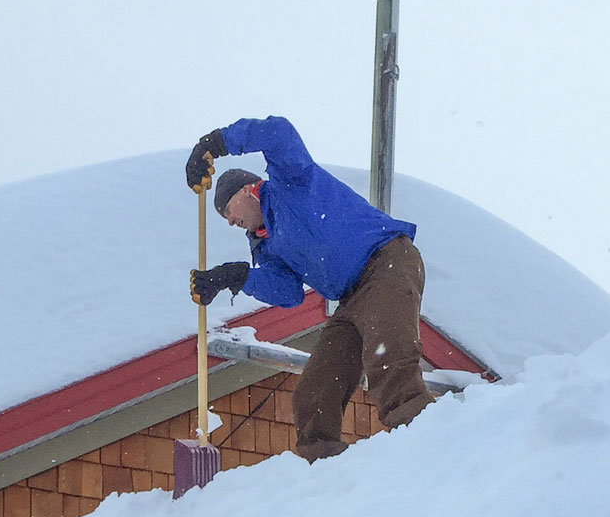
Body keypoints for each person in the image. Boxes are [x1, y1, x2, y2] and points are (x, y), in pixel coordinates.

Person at [185, 115, 435, 460]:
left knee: (388, 361)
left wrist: (218, 142)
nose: (230, 221)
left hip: (385, 262)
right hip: (350, 298)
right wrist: (237, 276)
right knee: (314, 392)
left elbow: (278, 133)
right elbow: (287, 292)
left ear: (247, 190)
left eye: (227, 210)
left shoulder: (290, 180)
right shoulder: (266, 245)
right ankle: (325, 468)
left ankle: (429, 441)